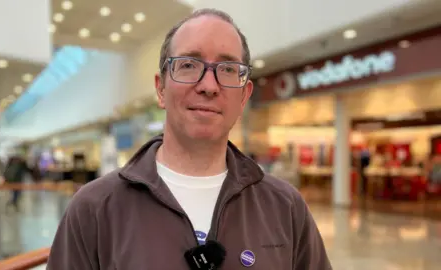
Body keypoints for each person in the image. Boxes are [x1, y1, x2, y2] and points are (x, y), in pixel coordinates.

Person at [47, 8, 331, 270]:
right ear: (161, 89)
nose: (209, 86)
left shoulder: (284, 207)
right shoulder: (95, 210)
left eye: (228, 69)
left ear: (244, 96)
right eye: (188, 65)